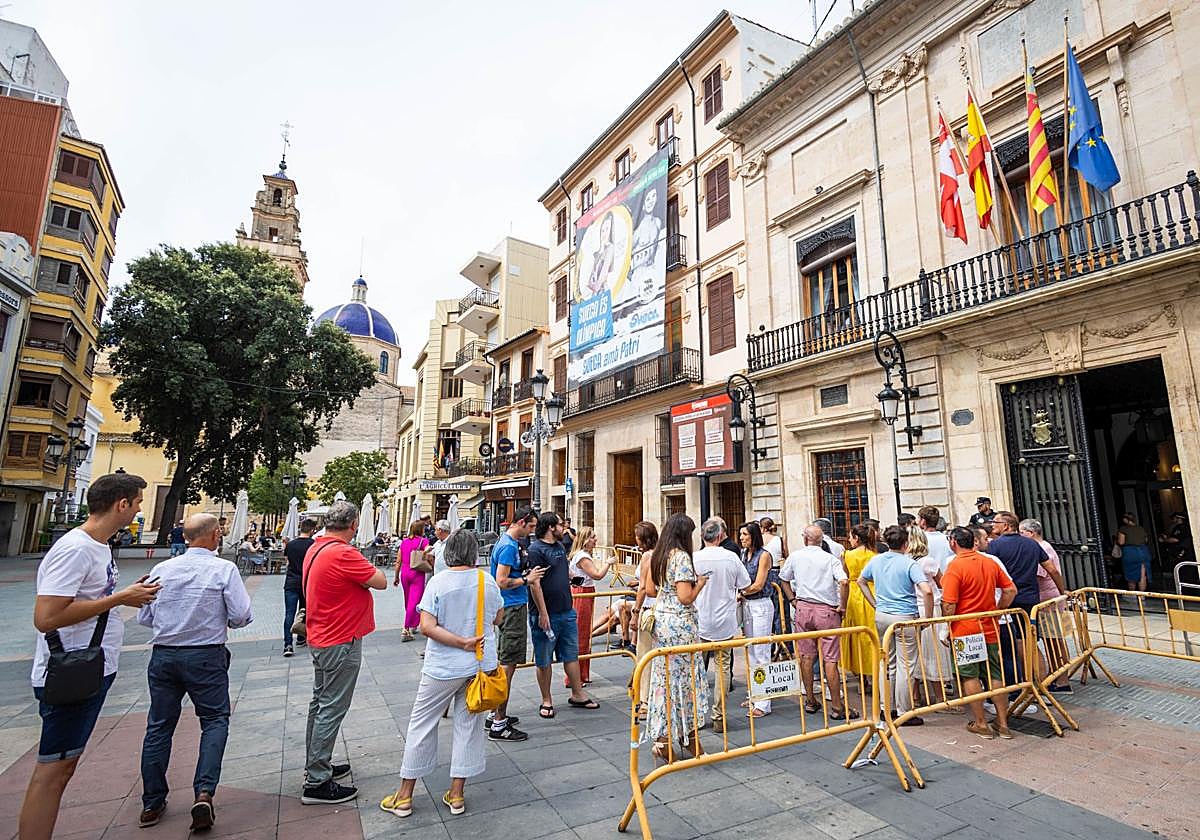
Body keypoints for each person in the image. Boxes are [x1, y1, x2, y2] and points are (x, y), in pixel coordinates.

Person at [20, 473, 161, 840]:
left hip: (90, 667)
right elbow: (46, 617)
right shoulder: (76, 548)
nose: (139, 510)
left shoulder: (98, 546)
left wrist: (127, 594)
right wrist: (120, 598)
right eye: (138, 503)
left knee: (63, 767)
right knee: (53, 771)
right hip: (70, 671)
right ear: (122, 504)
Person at [136, 513, 253, 831]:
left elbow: (144, 617)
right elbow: (242, 615)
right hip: (205, 655)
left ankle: (152, 802)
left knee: (159, 726)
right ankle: (204, 792)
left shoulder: (163, 569)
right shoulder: (223, 569)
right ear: (215, 535)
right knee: (214, 720)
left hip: (163, 655)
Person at [380, 530, 502, 820]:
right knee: (469, 726)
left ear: (448, 553)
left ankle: (405, 796)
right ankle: (457, 794)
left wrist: (460, 642)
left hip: (444, 666)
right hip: (479, 666)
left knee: (422, 724)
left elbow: (426, 626)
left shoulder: (439, 582)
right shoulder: (487, 581)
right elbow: (498, 617)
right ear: (474, 553)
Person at [301, 500, 387, 805]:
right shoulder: (344, 553)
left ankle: (316, 763)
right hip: (340, 639)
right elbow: (381, 581)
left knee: (320, 702)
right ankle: (316, 781)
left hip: (322, 635)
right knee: (332, 706)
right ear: (353, 525)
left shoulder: (317, 547)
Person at [941, 526, 1018, 740]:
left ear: (953, 542)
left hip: (964, 629)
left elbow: (949, 604)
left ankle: (982, 723)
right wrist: (998, 611)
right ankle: (1003, 724)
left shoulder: (955, 566)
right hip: (990, 626)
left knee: (970, 675)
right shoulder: (990, 562)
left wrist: (947, 626)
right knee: (995, 674)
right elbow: (1011, 590)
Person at [646, 514, 709, 762]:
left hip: (662, 622)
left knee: (665, 681)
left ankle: (663, 739)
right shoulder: (681, 557)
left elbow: (651, 590)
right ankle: (688, 738)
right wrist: (700, 583)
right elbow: (685, 597)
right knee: (685, 681)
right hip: (679, 624)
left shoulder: (658, 555)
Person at [857, 525, 933, 725]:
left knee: (887, 663)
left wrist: (875, 603)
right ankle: (903, 711)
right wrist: (928, 617)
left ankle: (885, 707)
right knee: (905, 665)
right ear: (906, 544)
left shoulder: (877, 560)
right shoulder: (909, 563)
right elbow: (927, 591)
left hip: (882, 616)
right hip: (904, 616)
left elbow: (861, 581)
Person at [779, 525, 854, 719]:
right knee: (830, 659)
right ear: (822, 540)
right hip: (826, 610)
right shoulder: (829, 559)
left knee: (806, 656)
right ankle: (837, 707)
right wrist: (842, 605)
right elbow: (844, 581)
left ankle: (811, 700)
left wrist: (792, 600)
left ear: (805, 539)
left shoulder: (796, 556)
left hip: (804, 608)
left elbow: (783, 579)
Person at [528, 512, 598, 717]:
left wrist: (571, 579)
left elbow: (563, 572)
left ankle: (578, 693)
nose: (564, 528)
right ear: (551, 527)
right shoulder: (536, 550)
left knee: (571, 654)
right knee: (544, 659)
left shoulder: (559, 548)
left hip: (566, 610)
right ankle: (546, 700)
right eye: (560, 524)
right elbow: (535, 584)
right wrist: (542, 613)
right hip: (546, 613)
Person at [988, 511, 1066, 687]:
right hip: (1031, 600)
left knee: (1014, 644)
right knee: (1030, 641)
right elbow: (1052, 570)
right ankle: (1040, 683)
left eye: (996, 522)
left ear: (1006, 526)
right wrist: (1062, 590)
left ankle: (1025, 683)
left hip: (1007, 601)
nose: (993, 525)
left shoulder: (995, 546)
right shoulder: (1032, 545)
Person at [486, 507, 543, 741]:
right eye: (530, 526)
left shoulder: (505, 542)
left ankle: (494, 714)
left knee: (506, 662)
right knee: (508, 664)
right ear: (520, 522)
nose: (532, 531)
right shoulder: (509, 546)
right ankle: (499, 722)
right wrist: (526, 579)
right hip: (512, 607)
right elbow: (501, 580)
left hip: (509, 606)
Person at [692, 517, 749, 714]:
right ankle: (719, 713)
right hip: (725, 620)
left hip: (701, 619)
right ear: (719, 536)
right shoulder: (731, 557)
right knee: (723, 667)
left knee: (698, 667)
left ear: (702, 536)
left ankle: (698, 712)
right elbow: (745, 583)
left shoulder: (694, 558)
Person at [1019, 518, 1072, 693]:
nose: (1020, 536)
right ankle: (1059, 675)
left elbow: (1041, 573)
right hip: (1053, 598)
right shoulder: (1044, 546)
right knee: (1056, 639)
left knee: (1054, 640)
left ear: (1031, 533)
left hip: (1049, 600)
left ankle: (1062, 680)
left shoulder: (1042, 548)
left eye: (1022, 532)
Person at [738, 520, 775, 718]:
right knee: (751, 650)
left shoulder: (764, 556)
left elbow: (759, 584)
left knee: (761, 650)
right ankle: (755, 693)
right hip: (747, 604)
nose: (742, 538)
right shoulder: (744, 554)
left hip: (760, 604)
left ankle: (764, 702)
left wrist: (741, 592)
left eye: (745, 534)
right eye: (741, 534)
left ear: (754, 535)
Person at [567, 526, 612, 686]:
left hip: (581, 591)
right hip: (583, 594)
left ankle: (581, 674)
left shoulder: (579, 556)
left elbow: (575, 577)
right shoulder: (583, 557)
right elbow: (597, 575)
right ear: (586, 540)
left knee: (583, 632)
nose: (596, 540)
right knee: (581, 633)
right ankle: (576, 676)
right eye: (593, 537)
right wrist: (608, 563)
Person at [841, 523, 878, 689]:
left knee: (857, 635)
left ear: (856, 538)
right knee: (872, 635)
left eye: (850, 536)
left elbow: (846, 577)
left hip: (855, 594)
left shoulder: (847, 555)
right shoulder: (874, 554)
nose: (849, 539)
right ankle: (875, 674)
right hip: (872, 592)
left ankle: (862, 677)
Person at [628, 521, 660, 709]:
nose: (635, 539)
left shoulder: (647, 556)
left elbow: (643, 588)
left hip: (648, 608)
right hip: (659, 606)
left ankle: (644, 699)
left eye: (637, 536)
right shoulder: (662, 553)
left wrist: (635, 612)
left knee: (644, 653)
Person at [283, 518, 318, 656]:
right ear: (312, 530)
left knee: (289, 614)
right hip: (306, 583)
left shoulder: (290, 545)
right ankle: (302, 637)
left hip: (291, 582)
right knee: (306, 612)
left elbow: (287, 562)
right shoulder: (313, 545)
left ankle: (287, 645)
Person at [396, 521, 430, 642]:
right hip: (417, 572)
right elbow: (428, 553)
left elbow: (398, 561)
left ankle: (413, 624)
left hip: (404, 572)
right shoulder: (424, 541)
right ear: (421, 530)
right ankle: (406, 629)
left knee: (408, 599)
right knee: (415, 601)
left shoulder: (404, 542)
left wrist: (396, 576)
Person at [1116, 512, 1152, 591]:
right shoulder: (1140, 528)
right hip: (1143, 551)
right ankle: (1142, 596)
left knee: (1131, 575)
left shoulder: (1123, 529)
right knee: (1142, 575)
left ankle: (1133, 595)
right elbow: (1146, 540)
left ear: (1125, 519)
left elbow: (1121, 542)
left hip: (1131, 552)